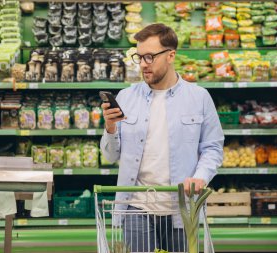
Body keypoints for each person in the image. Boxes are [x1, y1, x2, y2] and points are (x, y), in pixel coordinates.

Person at [100, 23, 224, 252]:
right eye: (139, 57)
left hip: (182, 208)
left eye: (149, 57)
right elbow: (109, 156)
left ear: (170, 55)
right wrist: (109, 127)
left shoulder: (199, 97)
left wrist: (201, 177)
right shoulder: (126, 97)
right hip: (136, 206)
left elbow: (213, 148)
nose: (143, 65)